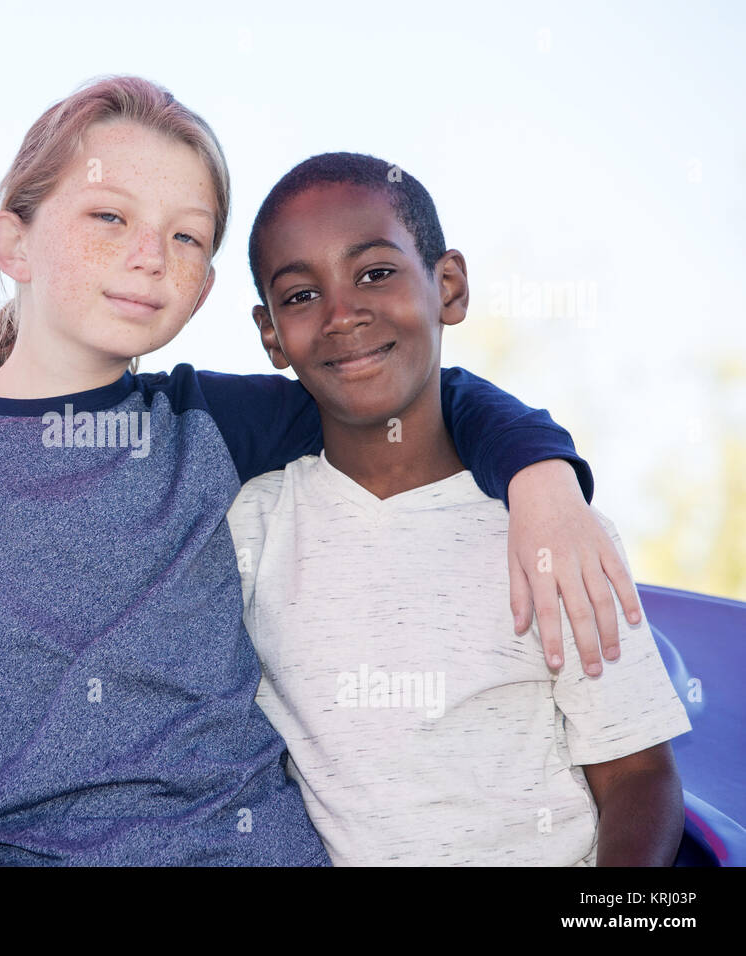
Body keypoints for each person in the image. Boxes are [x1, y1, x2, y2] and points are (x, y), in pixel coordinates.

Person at [0, 77, 639, 867]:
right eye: (111, 217)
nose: (152, 256)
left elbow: (421, 395)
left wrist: (543, 482)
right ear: (14, 242)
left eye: (188, 236)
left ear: (208, 284)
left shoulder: (208, 424)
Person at [224, 152, 690, 865]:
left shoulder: (553, 530)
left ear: (449, 285)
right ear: (270, 336)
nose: (343, 314)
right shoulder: (251, 530)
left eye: (375, 273)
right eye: (300, 295)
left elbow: (637, 775)